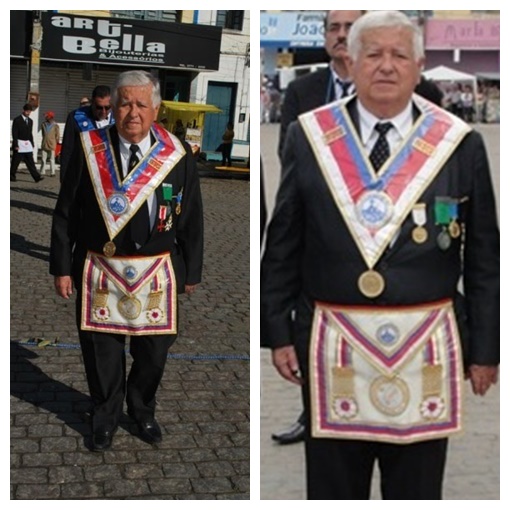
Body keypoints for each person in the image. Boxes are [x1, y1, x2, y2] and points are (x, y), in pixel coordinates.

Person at [261, 10, 499, 500]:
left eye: (398, 55)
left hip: (426, 352)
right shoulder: (310, 135)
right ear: (351, 59)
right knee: (333, 489)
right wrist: (277, 334)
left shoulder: (459, 143)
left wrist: (486, 350)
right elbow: (283, 240)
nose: (386, 66)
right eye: (373, 54)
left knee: (415, 490)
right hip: (331, 349)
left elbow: (483, 258)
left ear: (419, 65)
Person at [50, 70, 204, 452]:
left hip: (158, 272)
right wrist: (61, 267)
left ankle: (141, 409)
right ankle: (104, 417)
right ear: (113, 108)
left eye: (141, 104)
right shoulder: (90, 149)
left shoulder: (177, 153)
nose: (132, 112)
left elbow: (191, 217)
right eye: (124, 103)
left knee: (154, 353)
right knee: (101, 352)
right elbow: (65, 212)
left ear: (156, 109)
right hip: (101, 268)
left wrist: (192, 269)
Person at [59, 85, 115, 183]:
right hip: (84, 177)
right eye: (99, 107)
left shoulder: (119, 118)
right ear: (92, 103)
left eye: (107, 107)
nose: (104, 111)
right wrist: (65, 181)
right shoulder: (76, 117)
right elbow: (67, 151)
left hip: (111, 177)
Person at [10, 103, 44, 183]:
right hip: (19, 144)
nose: (28, 113)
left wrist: (32, 143)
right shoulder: (17, 120)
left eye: (30, 111)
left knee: (30, 161)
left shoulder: (30, 121)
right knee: (15, 162)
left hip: (27, 144)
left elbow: (30, 133)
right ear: (23, 110)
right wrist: (16, 144)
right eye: (27, 111)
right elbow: (14, 133)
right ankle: (11, 176)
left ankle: (36, 177)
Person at [39, 111, 60, 177]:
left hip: (52, 144)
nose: (45, 117)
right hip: (44, 143)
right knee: (43, 158)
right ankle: (42, 171)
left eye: (47, 116)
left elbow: (57, 135)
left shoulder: (55, 125)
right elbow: (43, 133)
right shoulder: (43, 124)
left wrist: (56, 141)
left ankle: (52, 172)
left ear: (50, 117)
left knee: (52, 159)